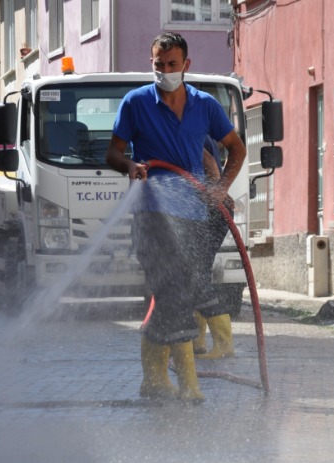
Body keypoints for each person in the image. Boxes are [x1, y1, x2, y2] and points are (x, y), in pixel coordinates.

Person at [105, 32, 247, 403]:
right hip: (152, 212)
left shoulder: (205, 105)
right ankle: (188, 385)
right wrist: (131, 165)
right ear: (151, 63)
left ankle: (154, 380)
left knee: (172, 297)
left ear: (186, 65)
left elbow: (236, 148)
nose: (165, 71)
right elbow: (113, 154)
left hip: (192, 213)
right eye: (158, 64)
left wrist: (220, 188)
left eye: (171, 65)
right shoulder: (135, 103)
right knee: (175, 296)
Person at [192, 137, 236, 360]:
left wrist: (218, 190)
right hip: (207, 209)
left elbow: (208, 161)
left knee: (195, 276)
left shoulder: (186, 127)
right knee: (193, 276)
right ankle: (197, 341)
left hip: (210, 210)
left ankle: (223, 343)